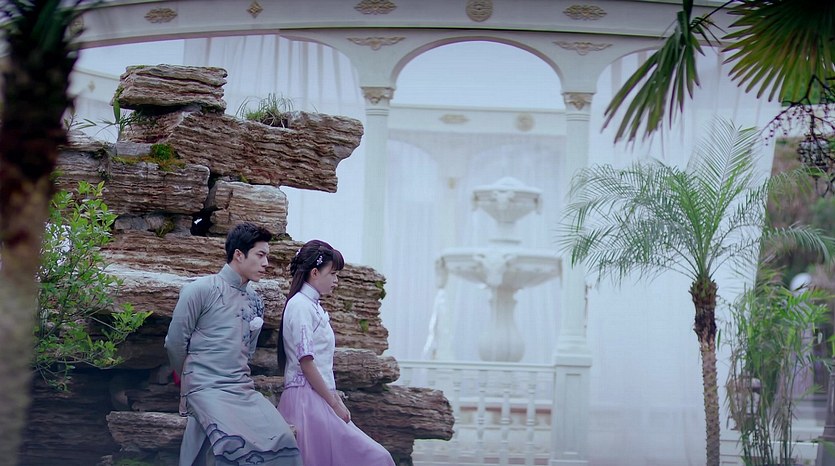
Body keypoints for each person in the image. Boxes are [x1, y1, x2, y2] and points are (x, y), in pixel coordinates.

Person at [165, 222, 302, 466]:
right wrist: (189, 378)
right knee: (232, 443)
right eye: (260, 255)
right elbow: (174, 343)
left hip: (242, 388)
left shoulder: (255, 301)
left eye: (267, 256)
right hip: (205, 387)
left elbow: (248, 351)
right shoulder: (200, 290)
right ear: (239, 254)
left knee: (284, 438)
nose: (266, 263)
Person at [277, 239, 395, 466]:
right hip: (307, 400)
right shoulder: (300, 305)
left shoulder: (311, 306)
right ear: (314, 273)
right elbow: (306, 362)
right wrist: (334, 403)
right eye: (332, 274)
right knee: (377, 458)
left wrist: (333, 400)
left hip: (317, 396)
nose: (336, 280)